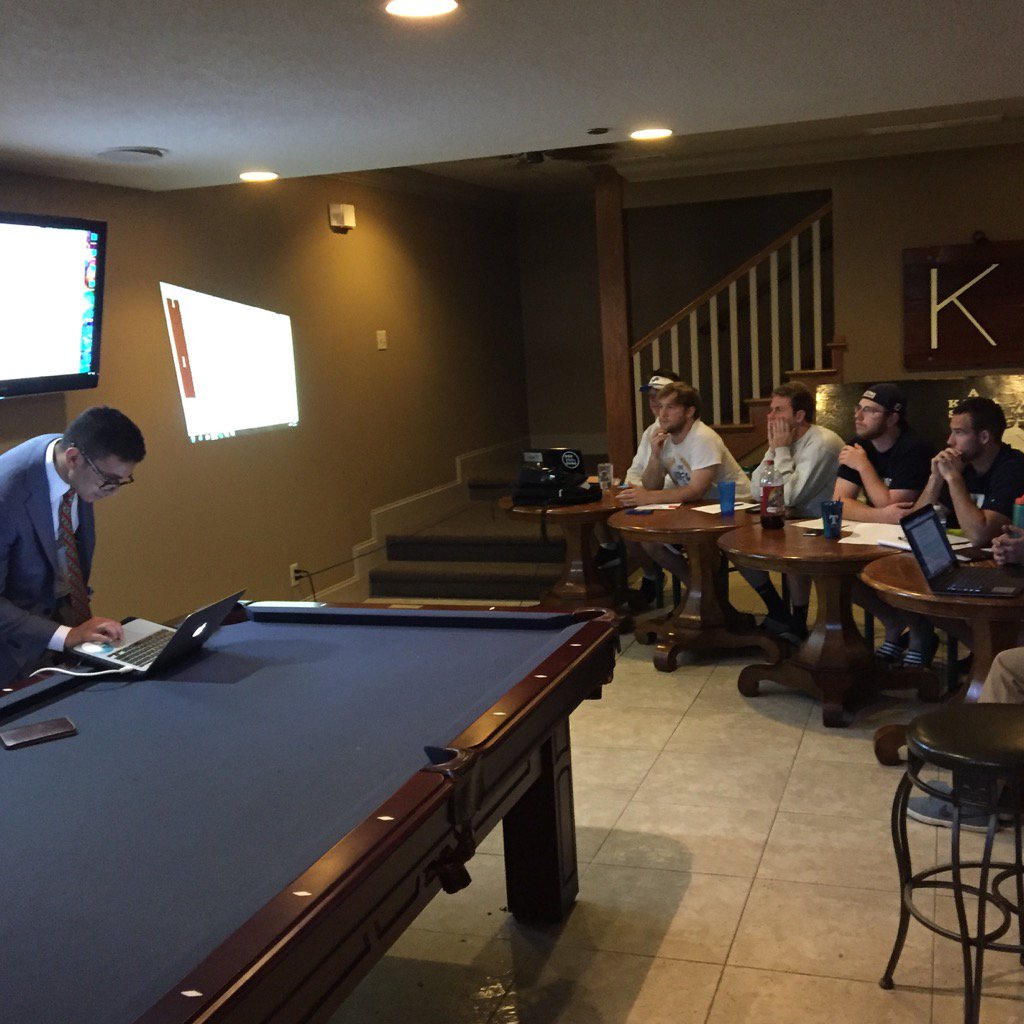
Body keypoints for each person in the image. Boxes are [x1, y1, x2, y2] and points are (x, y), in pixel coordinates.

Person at [0, 406, 146, 684]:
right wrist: (67, 636)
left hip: (61, 632)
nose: (113, 492)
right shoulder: (6, 496)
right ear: (73, 458)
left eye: (122, 481)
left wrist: (77, 633)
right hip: (10, 657)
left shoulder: (76, 460)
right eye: (109, 481)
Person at [831, 383, 934, 665]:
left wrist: (864, 467)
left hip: (914, 541)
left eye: (870, 411)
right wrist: (880, 515)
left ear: (892, 418)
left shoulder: (913, 448)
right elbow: (840, 503)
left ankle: (918, 631)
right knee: (838, 572)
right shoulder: (858, 446)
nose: (859, 416)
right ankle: (892, 623)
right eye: (859, 409)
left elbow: (892, 505)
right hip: (878, 533)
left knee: (897, 572)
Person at [618, 381, 751, 586]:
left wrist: (648, 497)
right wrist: (655, 455)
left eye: (670, 407)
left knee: (698, 546)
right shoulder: (666, 437)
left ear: (689, 411)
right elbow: (652, 485)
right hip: (698, 509)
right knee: (649, 540)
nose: (662, 414)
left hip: (734, 508)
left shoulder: (702, 437)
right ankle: (698, 591)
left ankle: (703, 596)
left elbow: (697, 489)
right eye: (660, 407)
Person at [744, 382, 844, 638]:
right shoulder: (781, 441)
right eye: (770, 410)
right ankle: (777, 609)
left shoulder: (822, 443)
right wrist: (775, 451)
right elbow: (756, 489)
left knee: (794, 552)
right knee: (737, 546)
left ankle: (797, 624)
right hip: (793, 520)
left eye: (778, 410)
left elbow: (789, 495)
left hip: (826, 526)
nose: (770, 417)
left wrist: (780, 451)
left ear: (799, 416)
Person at [606, 369, 681, 607]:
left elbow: (677, 480)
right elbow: (635, 470)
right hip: (651, 496)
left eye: (661, 396)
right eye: (651, 396)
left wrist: (645, 493)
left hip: (674, 501)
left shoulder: (682, 431)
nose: (655, 402)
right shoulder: (651, 430)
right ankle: (650, 576)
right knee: (623, 524)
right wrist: (636, 490)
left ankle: (689, 586)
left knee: (636, 527)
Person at [909, 396, 1024, 548]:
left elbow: (980, 536)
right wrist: (935, 478)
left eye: (959, 432)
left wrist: (953, 479)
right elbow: (914, 527)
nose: (950, 441)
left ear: (984, 437)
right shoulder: (962, 465)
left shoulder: (1014, 468)